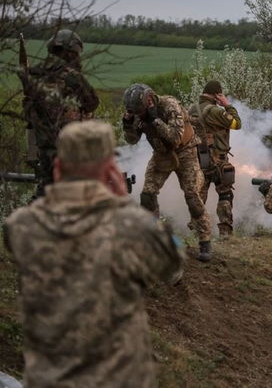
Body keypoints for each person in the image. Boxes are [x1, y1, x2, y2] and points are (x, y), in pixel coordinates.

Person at [3, 120, 185, 388]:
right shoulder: (133, 226)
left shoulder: (20, 226)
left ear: (58, 167)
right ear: (110, 169)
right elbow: (174, 260)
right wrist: (125, 203)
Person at [122, 83, 213, 261]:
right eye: (135, 112)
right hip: (161, 154)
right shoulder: (136, 111)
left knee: (192, 196)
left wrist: (155, 120)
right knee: (147, 195)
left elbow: (175, 138)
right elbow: (132, 140)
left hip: (185, 151)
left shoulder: (170, 106)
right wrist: (127, 125)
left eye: (140, 111)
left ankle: (205, 242)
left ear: (149, 100)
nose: (138, 115)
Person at [20, 29, 99, 197]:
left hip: (45, 150)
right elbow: (92, 103)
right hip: (70, 150)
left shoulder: (35, 76)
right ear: (71, 52)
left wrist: (32, 154)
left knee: (46, 193)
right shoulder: (71, 76)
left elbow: (30, 120)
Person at [188, 80, 242, 237]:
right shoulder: (216, 111)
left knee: (199, 195)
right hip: (218, 160)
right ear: (217, 94)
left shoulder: (191, 109)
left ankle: (197, 232)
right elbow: (236, 124)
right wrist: (227, 105)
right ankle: (225, 232)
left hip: (198, 159)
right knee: (225, 194)